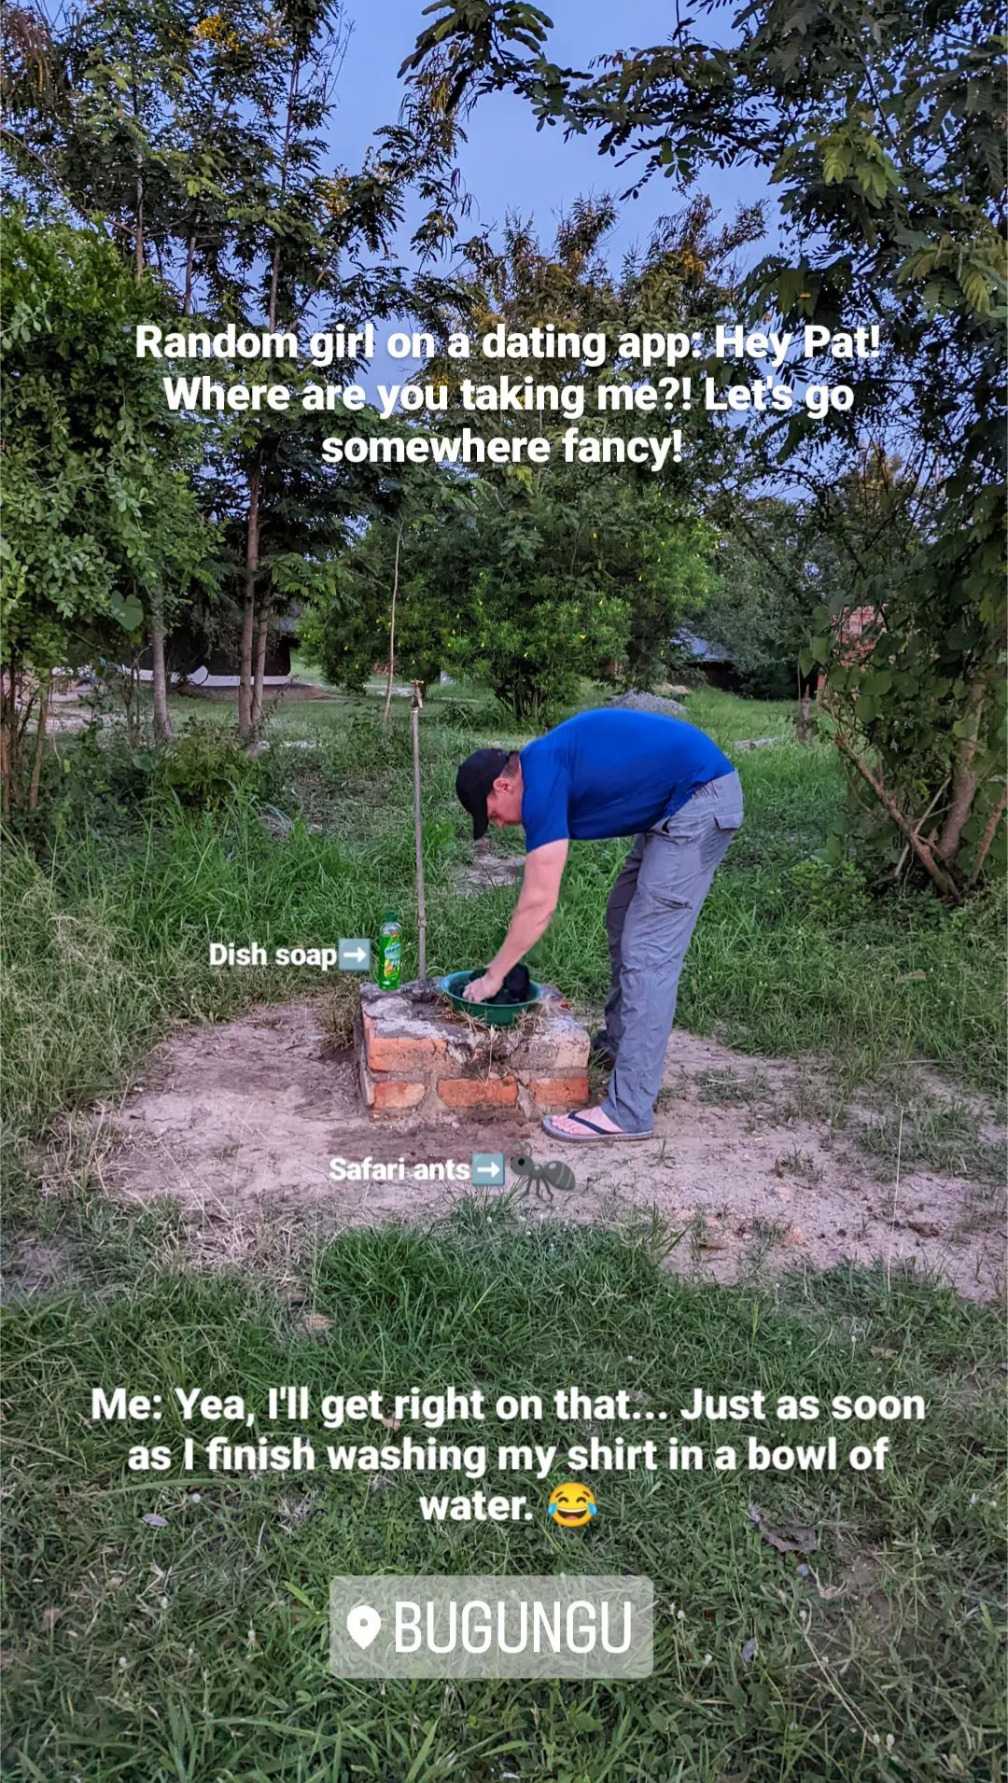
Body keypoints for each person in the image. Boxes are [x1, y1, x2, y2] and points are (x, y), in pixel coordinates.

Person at [455, 707, 743, 1142]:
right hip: (676, 802)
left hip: (698, 800)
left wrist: (493, 976)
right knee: (623, 916)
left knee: (648, 952)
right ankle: (621, 1045)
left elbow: (537, 903)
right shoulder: (541, 766)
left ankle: (629, 1110)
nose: (495, 825)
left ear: (503, 784)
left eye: (491, 813)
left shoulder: (541, 781)